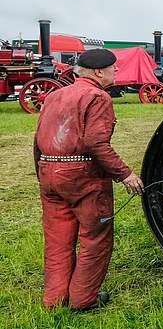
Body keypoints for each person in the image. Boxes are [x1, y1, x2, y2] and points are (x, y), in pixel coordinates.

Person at [33, 48, 145, 311]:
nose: (116, 71)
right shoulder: (97, 97)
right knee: (95, 237)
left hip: (49, 171)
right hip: (83, 177)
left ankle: (54, 301)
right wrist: (125, 174)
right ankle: (83, 301)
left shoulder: (55, 95)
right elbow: (96, 143)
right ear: (98, 72)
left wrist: (43, 175)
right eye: (113, 68)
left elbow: (37, 141)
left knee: (57, 241)